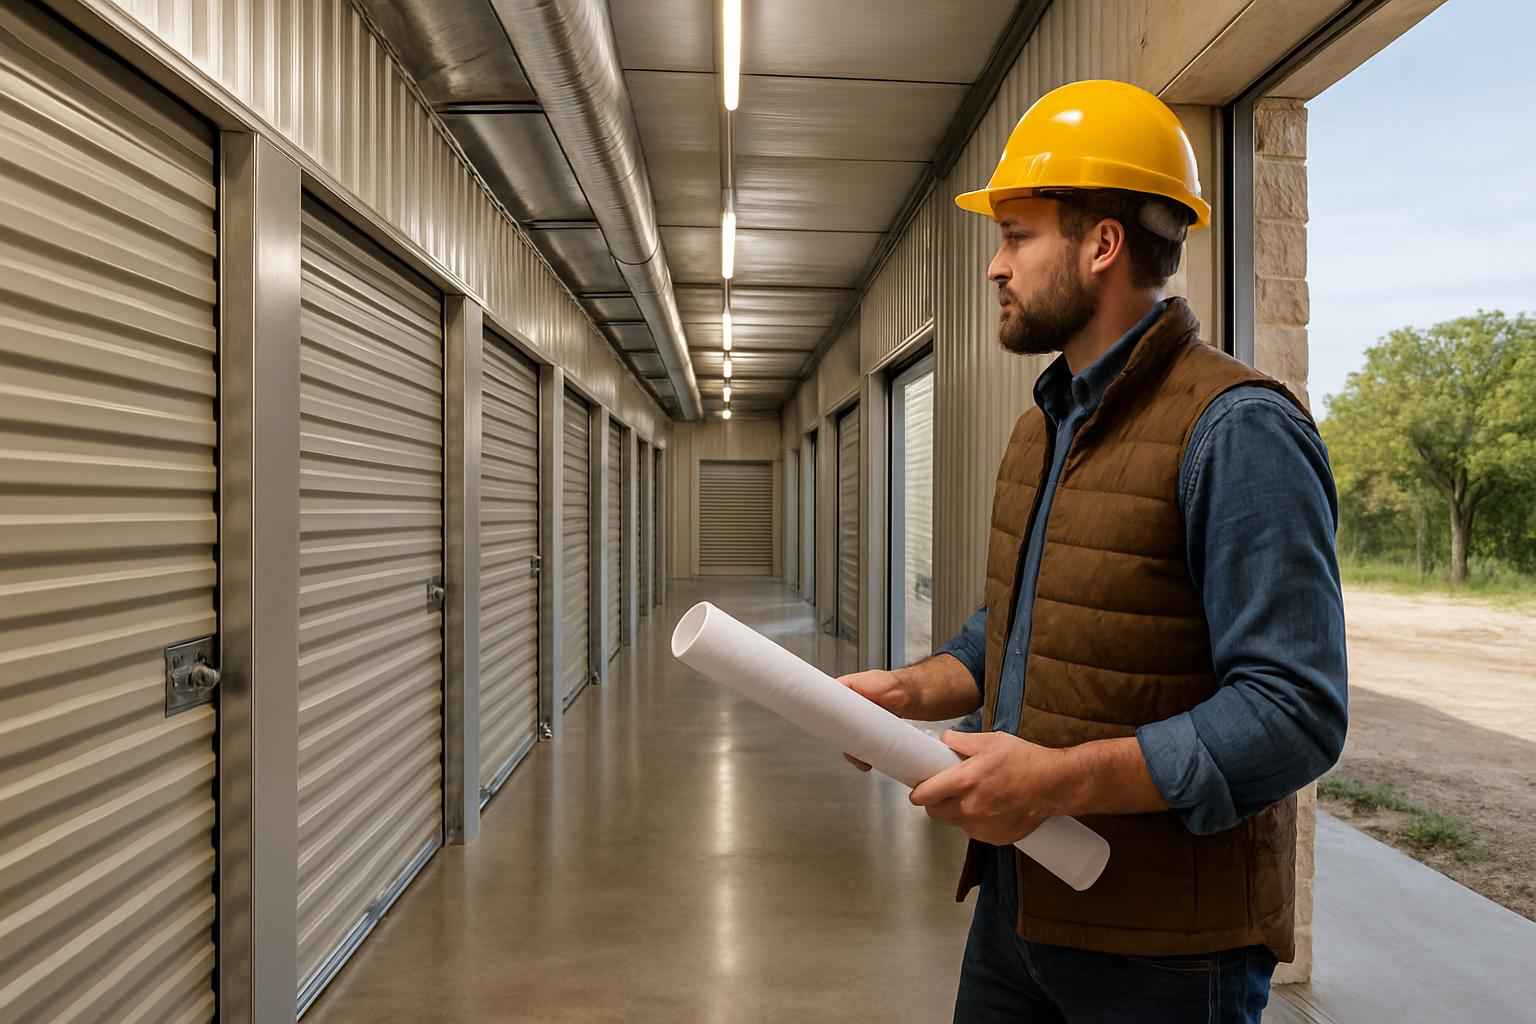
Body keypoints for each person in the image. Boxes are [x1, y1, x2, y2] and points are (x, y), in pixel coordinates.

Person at [838, 79, 1348, 1023]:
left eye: (1016, 236)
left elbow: (1295, 711)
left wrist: (1056, 781)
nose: (996, 267)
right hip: (1021, 907)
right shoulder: (1046, 424)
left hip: (1166, 956)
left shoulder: (1237, 429)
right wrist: (907, 692)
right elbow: (1025, 627)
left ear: (1101, 244)